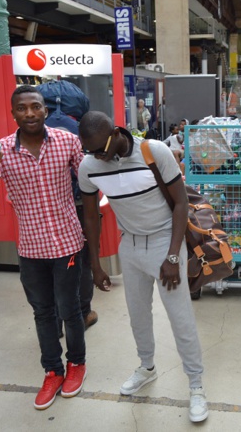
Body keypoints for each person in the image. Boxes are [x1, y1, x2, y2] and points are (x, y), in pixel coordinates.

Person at [77, 111, 209, 423]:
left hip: (166, 240)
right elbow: (90, 215)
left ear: (115, 133)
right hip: (130, 245)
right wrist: (95, 264)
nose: (96, 157)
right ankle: (146, 367)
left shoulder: (154, 151)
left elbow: (181, 204)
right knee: (138, 316)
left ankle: (196, 384)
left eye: (100, 150)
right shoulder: (89, 167)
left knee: (181, 319)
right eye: (90, 151)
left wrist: (173, 256)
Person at [0, 85, 88, 410]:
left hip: (66, 243)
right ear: (13, 114)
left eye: (35, 106)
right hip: (31, 249)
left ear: (45, 110)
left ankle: (77, 364)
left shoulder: (67, 141)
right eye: (22, 109)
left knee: (71, 310)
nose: (30, 113)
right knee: (42, 313)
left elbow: (90, 181)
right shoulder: (0, 150)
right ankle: (52, 371)